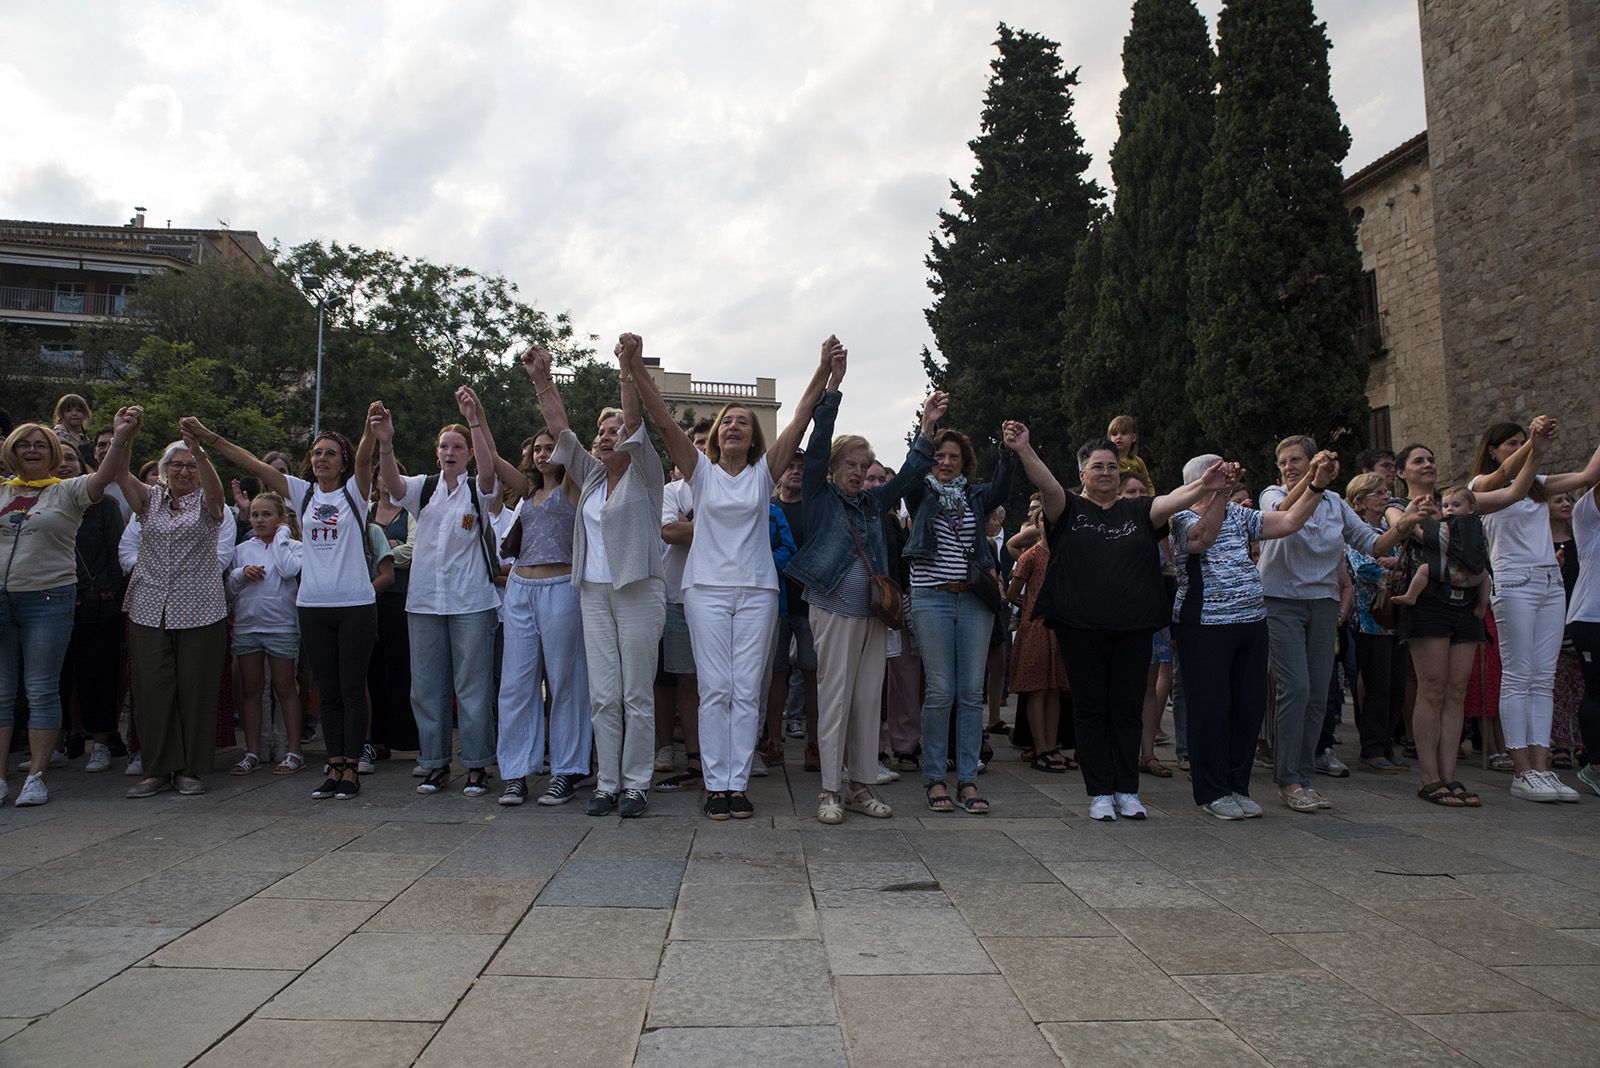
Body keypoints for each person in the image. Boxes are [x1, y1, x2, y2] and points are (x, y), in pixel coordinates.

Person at [629, 334, 832, 820]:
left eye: (744, 421)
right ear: (716, 435)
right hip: (705, 592)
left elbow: (801, 415)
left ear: (754, 435)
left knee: (746, 689)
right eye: (728, 422)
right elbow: (661, 419)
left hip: (759, 592)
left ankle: (736, 785)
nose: (735, 426)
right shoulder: (699, 472)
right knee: (716, 687)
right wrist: (635, 367)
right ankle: (714, 784)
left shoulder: (765, 474)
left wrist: (823, 368)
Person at [1010, 429, 1236, 822]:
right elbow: (1045, 481)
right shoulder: (1067, 509)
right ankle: (1099, 791)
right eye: (1097, 467)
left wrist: (1206, 484)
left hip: (1133, 627)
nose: (1106, 473)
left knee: (1127, 708)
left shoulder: (1139, 510)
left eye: (1112, 467)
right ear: (1082, 474)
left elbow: (1170, 501)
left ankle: (1127, 789)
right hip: (1080, 628)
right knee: (1091, 708)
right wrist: (1025, 447)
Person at [188, 412, 388, 800]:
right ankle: (334, 765)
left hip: (355, 605)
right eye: (316, 453)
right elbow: (251, 462)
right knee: (326, 689)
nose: (322, 459)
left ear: (342, 461)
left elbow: (365, 458)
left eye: (330, 453)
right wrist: (208, 436)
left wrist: (368, 430)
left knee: (350, 688)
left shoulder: (354, 492)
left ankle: (352, 767)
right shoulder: (303, 493)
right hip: (312, 606)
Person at [784, 350, 942, 823]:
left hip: (874, 612)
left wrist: (928, 427)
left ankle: (861, 785)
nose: (858, 471)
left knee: (867, 698)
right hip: (832, 608)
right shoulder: (818, 494)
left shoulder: (874, 503)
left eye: (865, 464)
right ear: (834, 469)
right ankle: (829, 791)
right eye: (850, 464)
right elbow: (818, 444)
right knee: (833, 697)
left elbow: (913, 473)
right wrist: (833, 387)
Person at [524, 338, 666, 818]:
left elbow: (633, 420)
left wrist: (627, 370)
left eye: (614, 431)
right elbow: (560, 429)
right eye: (600, 432)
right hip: (594, 593)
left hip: (639, 592)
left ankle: (637, 783)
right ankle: (607, 783)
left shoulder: (645, 473)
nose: (606, 437)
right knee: (604, 696)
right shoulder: (592, 476)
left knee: (636, 693)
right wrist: (543, 378)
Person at [1170, 452, 1351, 819]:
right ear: (1200, 480)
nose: (1228, 475)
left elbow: (1287, 521)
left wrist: (1316, 485)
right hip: (1205, 624)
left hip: (1251, 622)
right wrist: (1220, 494)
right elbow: (1201, 540)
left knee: (1247, 706)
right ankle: (1212, 790)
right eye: (1217, 472)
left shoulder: (1241, 515)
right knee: (1211, 708)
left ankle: (1238, 785)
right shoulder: (1182, 516)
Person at [1260, 436, 1428, 813]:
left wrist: (1404, 527)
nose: (1290, 467)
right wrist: (1314, 482)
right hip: (1281, 602)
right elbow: (1286, 515)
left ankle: (1304, 777)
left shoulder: (1335, 504)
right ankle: (1288, 778)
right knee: (1296, 688)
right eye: (1284, 462)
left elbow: (1373, 545)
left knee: (1318, 691)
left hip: (1323, 603)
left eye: (1297, 460)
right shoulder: (1270, 494)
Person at [1393, 422, 1546, 806]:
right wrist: (1416, 515)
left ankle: (1450, 776)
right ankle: (1429, 777)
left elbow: (1513, 490)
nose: (1428, 464)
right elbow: (1397, 530)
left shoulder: (1457, 500)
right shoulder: (1400, 507)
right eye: (1418, 460)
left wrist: (1536, 450)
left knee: (1457, 691)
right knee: (1432, 688)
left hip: (1465, 604)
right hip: (1429, 603)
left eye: (1431, 459)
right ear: (1401, 472)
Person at [373, 390, 503, 799]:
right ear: (436, 453)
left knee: (473, 687)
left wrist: (475, 419)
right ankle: (434, 762)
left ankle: (477, 765)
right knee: (426, 687)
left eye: (458, 446)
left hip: (472, 603)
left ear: (467, 454)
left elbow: (488, 470)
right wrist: (386, 442)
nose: (451, 452)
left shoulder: (478, 489)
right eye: (445, 446)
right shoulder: (422, 489)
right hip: (425, 602)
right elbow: (391, 482)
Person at [1468, 417, 1600, 801]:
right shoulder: (1480, 485)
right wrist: (1535, 447)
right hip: (1515, 583)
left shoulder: (1538, 487)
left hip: (1549, 583)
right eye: (1510, 443)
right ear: (1492, 451)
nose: (1518, 446)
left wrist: (1535, 449)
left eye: (1521, 441)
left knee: (1543, 678)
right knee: (1518, 675)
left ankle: (1542, 768)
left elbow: (1589, 473)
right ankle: (1521, 769)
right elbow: (1508, 478)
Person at [899, 415, 1019, 816]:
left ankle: (967, 778)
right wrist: (925, 432)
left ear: (964, 461)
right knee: (940, 690)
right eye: (939, 455)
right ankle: (935, 777)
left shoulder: (975, 495)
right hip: (930, 597)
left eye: (953, 456)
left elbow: (1003, 487)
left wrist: (1008, 448)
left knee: (971, 691)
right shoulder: (920, 493)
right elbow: (907, 476)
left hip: (972, 599)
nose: (945, 462)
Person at [0, 420, 122, 805]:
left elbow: (104, 474)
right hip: (3, 599)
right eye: (24, 445)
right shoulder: (1, 493)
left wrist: (121, 435)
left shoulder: (68, 490)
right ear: (12, 452)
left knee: (40, 687)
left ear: (53, 453)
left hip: (49, 598)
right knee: (2, 692)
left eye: (41, 444)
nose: (32, 450)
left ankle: (36, 776)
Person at [111, 411, 230, 799]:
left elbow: (216, 494)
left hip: (200, 608)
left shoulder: (209, 505)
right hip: (148, 605)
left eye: (190, 465)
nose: (184, 471)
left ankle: (190, 768)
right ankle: (157, 768)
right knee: (152, 689)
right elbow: (117, 472)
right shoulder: (150, 501)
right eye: (176, 465)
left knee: (194, 688)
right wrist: (123, 436)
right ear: (163, 470)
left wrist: (201, 451)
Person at [487, 421, 589, 807]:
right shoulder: (528, 492)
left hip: (562, 587)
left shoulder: (572, 487)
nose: (544, 454)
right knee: (515, 684)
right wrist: (479, 420)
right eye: (538, 449)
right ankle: (515, 773)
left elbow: (568, 438)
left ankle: (565, 770)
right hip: (520, 590)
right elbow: (493, 461)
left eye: (552, 448)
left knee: (565, 682)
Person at [53, 441, 125, 774]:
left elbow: (117, 553)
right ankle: (62, 739)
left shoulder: (105, 505)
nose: (63, 464)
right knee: (57, 677)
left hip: (96, 602)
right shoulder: (44, 503)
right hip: (51, 598)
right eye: (58, 459)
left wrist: (107, 593)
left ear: (83, 466)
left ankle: (101, 742)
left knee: (98, 674)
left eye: (70, 458)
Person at [226, 491, 305, 776]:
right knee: (251, 689)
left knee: (285, 687)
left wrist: (282, 536)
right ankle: (253, 750)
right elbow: (230, 591)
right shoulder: (241, 550)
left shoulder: (294, 546)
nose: (259, 520)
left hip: (281, 626)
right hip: (248, 626)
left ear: (281, 519)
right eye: (255, 514)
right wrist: (240, 574)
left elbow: (287, 571)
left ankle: (292, 749)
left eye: (267, 514)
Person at [655, 420, 711, 792]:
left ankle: (726, 754)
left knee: (727, 682)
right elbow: (670, 532)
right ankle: (694, 758)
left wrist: (694, 523)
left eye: (710, 442)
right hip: (678, 596)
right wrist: (722, 524)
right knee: (687, 681)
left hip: (722, 595)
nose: (705, 449)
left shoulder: (732, 484)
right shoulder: (672, 490)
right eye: (699, 443)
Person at [1343, 473, 1408, 772]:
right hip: (1370, 620)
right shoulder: (1358, 532)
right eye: (1378, 493)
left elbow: (1406, 563)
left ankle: (1385, 744)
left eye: (1387, 491)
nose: (1386, 497)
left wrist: (1394, 565)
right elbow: (1364, 568)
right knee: (1377, 685)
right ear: (1360, 500)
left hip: (1396, 617)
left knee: (1396, 685)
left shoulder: (1388, 530)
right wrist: (1395, 568)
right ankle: (1372, 747)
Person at [1006, 498, 1071, 773]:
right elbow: (1012, 592)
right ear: (1037, 524)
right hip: (1035, 628)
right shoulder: (1030, 555)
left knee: (1055, 689)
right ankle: (1041, 747)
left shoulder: (1066, 553)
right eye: (1045, 521)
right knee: (1037, 688)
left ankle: (1050, 745)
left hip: (1058, 627)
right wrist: (1027, 605)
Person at [766, 449, 820, 772]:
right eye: (790, 466)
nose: (796, 472)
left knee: (813, 673)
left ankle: (814, 746)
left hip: (811, 601)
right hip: (777, 601)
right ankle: (773, 741)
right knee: (775, 673)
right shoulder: (769, 508)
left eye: (801, 467)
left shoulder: (815, 509)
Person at [365, 462, 419, 768]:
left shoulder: (410, 512)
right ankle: (375, 739)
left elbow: (414, 549)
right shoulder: (366, 510)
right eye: (381, 475)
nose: (386, 481)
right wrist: (389, 548)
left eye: (393, 475)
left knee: (400, 667)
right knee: (371, 668)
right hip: (366, 597)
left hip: (399, 596)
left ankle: (404, 738)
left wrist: (378, 551)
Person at [1390, 487, 1492, 616]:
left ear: (1471, 508)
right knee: (1486, 578)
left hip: (1454, 574)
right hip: (1476, 576)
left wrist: (1415, 529)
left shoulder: (1451, 524)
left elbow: (1434, 539)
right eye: (1445, 505)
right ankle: (1482, 606)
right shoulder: (1478, 524)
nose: (1450, 508)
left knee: (1423, 569)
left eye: (1456, 505)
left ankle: (1411, 595)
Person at [1108, 415, 1153, 496]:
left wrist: (1151, 500)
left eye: (1123, 433)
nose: (1118, 437)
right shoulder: (1108, 461)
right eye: (1114, 434)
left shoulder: (1138, 462)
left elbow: (1147, 484)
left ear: (1133, 437)